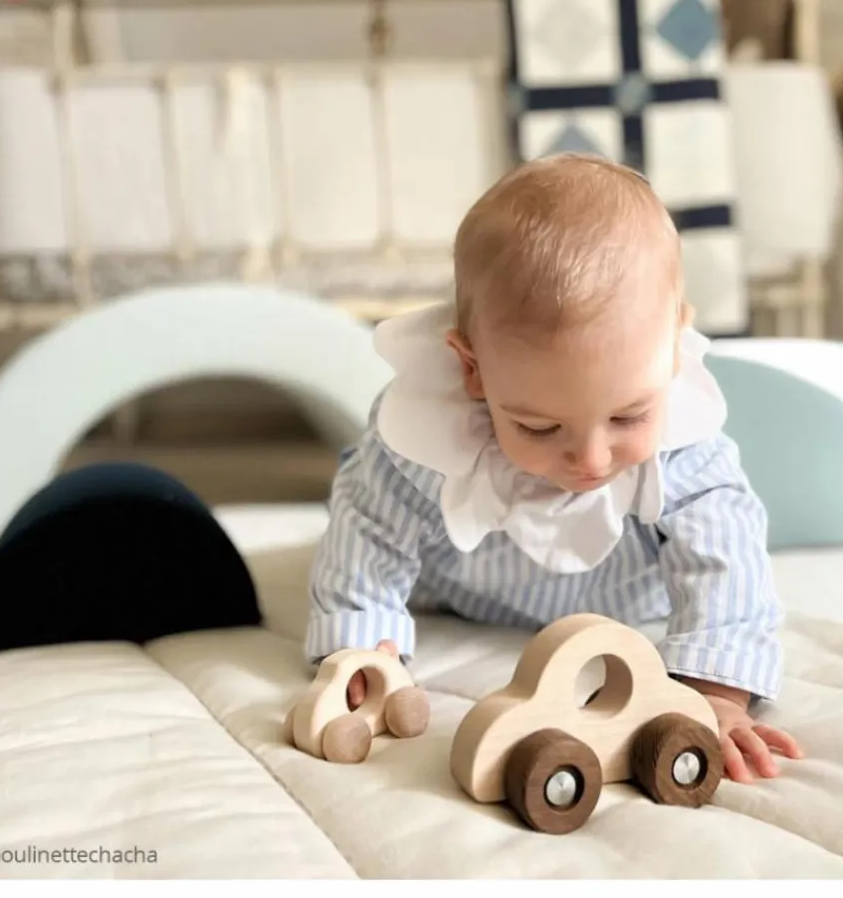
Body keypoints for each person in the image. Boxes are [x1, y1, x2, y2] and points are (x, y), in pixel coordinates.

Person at [305, 153, 803, 784]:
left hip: (623, 598)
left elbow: (726, 556)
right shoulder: (428, 432)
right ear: (472, 369)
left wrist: (717, 693)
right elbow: (369, 530)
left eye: (628, 416)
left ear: (675, 347)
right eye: (539, 427)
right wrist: (361, 646)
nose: (591, 460)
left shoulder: (684, 439)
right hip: (459, 590)